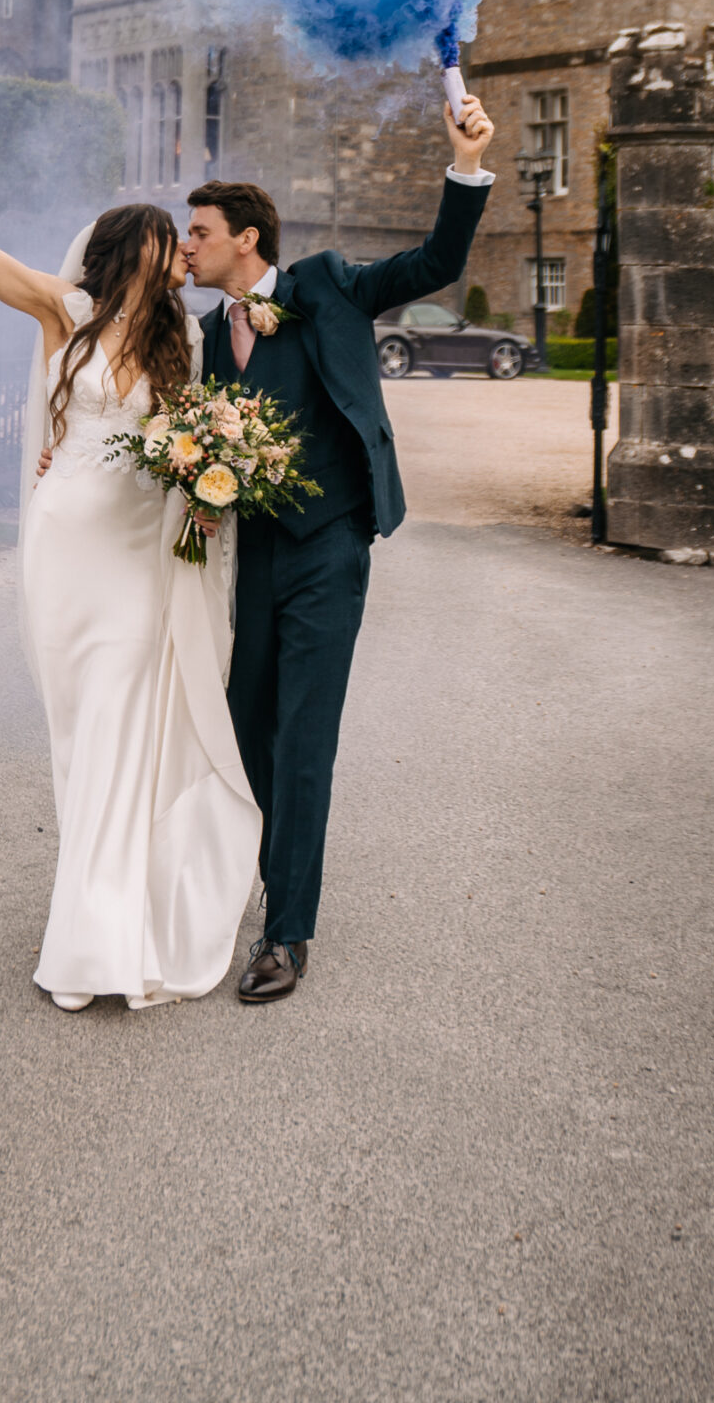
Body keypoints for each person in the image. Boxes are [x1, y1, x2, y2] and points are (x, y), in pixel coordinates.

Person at [0, 108, 260, 1013]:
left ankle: (99, 941)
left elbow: (196, 440)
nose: (182, 251)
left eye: (186, 241)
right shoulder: (61, 311)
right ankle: (96, 922)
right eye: (165, 241)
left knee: (120, 731)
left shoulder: (179, 344)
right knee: (81, 739)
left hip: (143, 560)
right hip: (68, 552)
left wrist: (215, 475)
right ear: (126, 254)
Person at [183, 90, 496, 1003]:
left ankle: (286, 933)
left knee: (302, 738)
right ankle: (263, 881)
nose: (188, 244)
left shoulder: (325, 283)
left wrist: (466, 164)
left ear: (246, 238)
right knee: (245, 730)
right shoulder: (205, 336)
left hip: (328, 549)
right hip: (253, 556)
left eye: (199, 231)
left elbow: (436, 260)